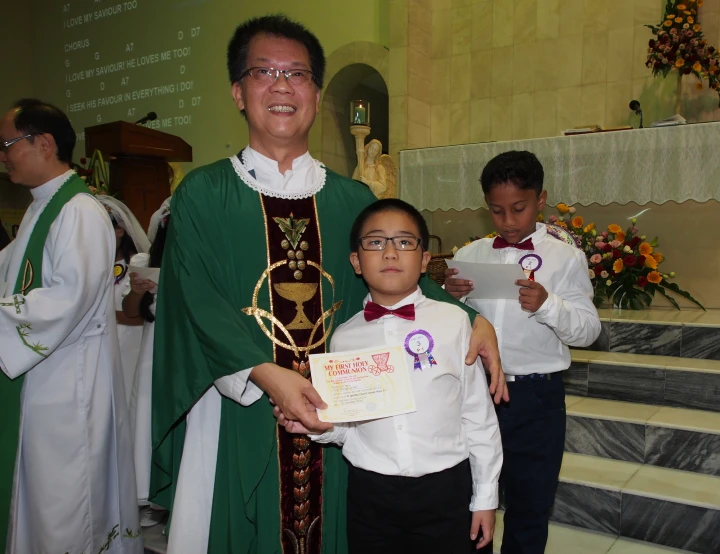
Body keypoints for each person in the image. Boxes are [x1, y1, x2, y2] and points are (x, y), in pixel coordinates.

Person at [150, 14, 506, 554]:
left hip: (346, 411)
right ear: (238, 92)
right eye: (264, 71)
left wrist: (475, 320)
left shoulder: (351, 199)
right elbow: (196, 297)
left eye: (297, 74)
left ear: (316, 93)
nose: (282, 85)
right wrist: (268, 374)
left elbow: (397, 278)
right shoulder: (204, 193)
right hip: (241, 405)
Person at [276, 198, 503, 554]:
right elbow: (349, 428)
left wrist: (485, 498)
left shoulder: (455, 321)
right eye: (376, 242)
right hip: (372, 499)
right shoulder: (344, 337)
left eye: (405, 241)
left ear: (426, 259)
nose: (391, 253)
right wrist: (317, 424)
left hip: (448, 491)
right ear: (356, 261)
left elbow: (478, 416)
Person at [0, 99, 141, 553]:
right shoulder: (42, 209)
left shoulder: (78, 210)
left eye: (7, 144)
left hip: (67, 386)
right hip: (42, 380)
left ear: (43, 143)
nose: (3, 156)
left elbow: (68, 297)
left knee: (64, 504)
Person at [445, 150, 601, 554]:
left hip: (535, 397)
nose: (509, 222)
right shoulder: (469, 256)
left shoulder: (564, 257)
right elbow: (449, 329)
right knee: (471, 503)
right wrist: (450, 300)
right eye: (497, 211)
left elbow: (588, 330)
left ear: (541, 198)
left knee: (529, 508)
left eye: (518, 208)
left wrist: (548, 304)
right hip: (476, 393)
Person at [122, 197, 170, 527]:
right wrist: (139, 290)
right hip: (151, 351)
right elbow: (129, 311)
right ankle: (149, 496)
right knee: (146, 418)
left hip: (180, 350)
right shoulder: (144, 260)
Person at [97, 195, 151, 408]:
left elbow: (140, 317)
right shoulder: (89, 267)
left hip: (128, 348)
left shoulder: (138, 264)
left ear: (120, 230)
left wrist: (95, 315)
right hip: (99, 349)